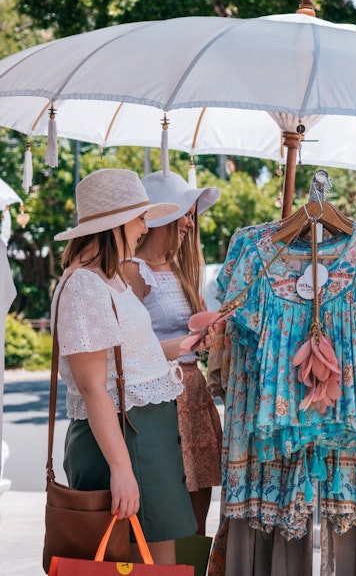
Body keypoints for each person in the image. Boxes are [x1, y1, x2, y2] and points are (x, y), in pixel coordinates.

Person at [51, 168, 197, 564]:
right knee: (136, 560)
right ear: (115, 224)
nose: (144, 227)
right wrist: (121, 468)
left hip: (142, 432)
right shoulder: (84, 285)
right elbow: (93, 386)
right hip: (125, 436)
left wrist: (191, 342)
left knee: (154, 556)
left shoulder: (107, 279)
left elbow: (135, 357)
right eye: (139, 218)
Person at [122, 170, 223, 535]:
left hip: (192, 392)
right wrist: (186, 343)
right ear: (162, 216)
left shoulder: (182, 269)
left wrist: (208, 335)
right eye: (185, 212)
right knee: (163, 512)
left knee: (199, 506)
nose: (189, 222)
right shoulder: (132, 272)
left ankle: (192, 568)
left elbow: (191, 331)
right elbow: (126, 348)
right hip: (159, 397)